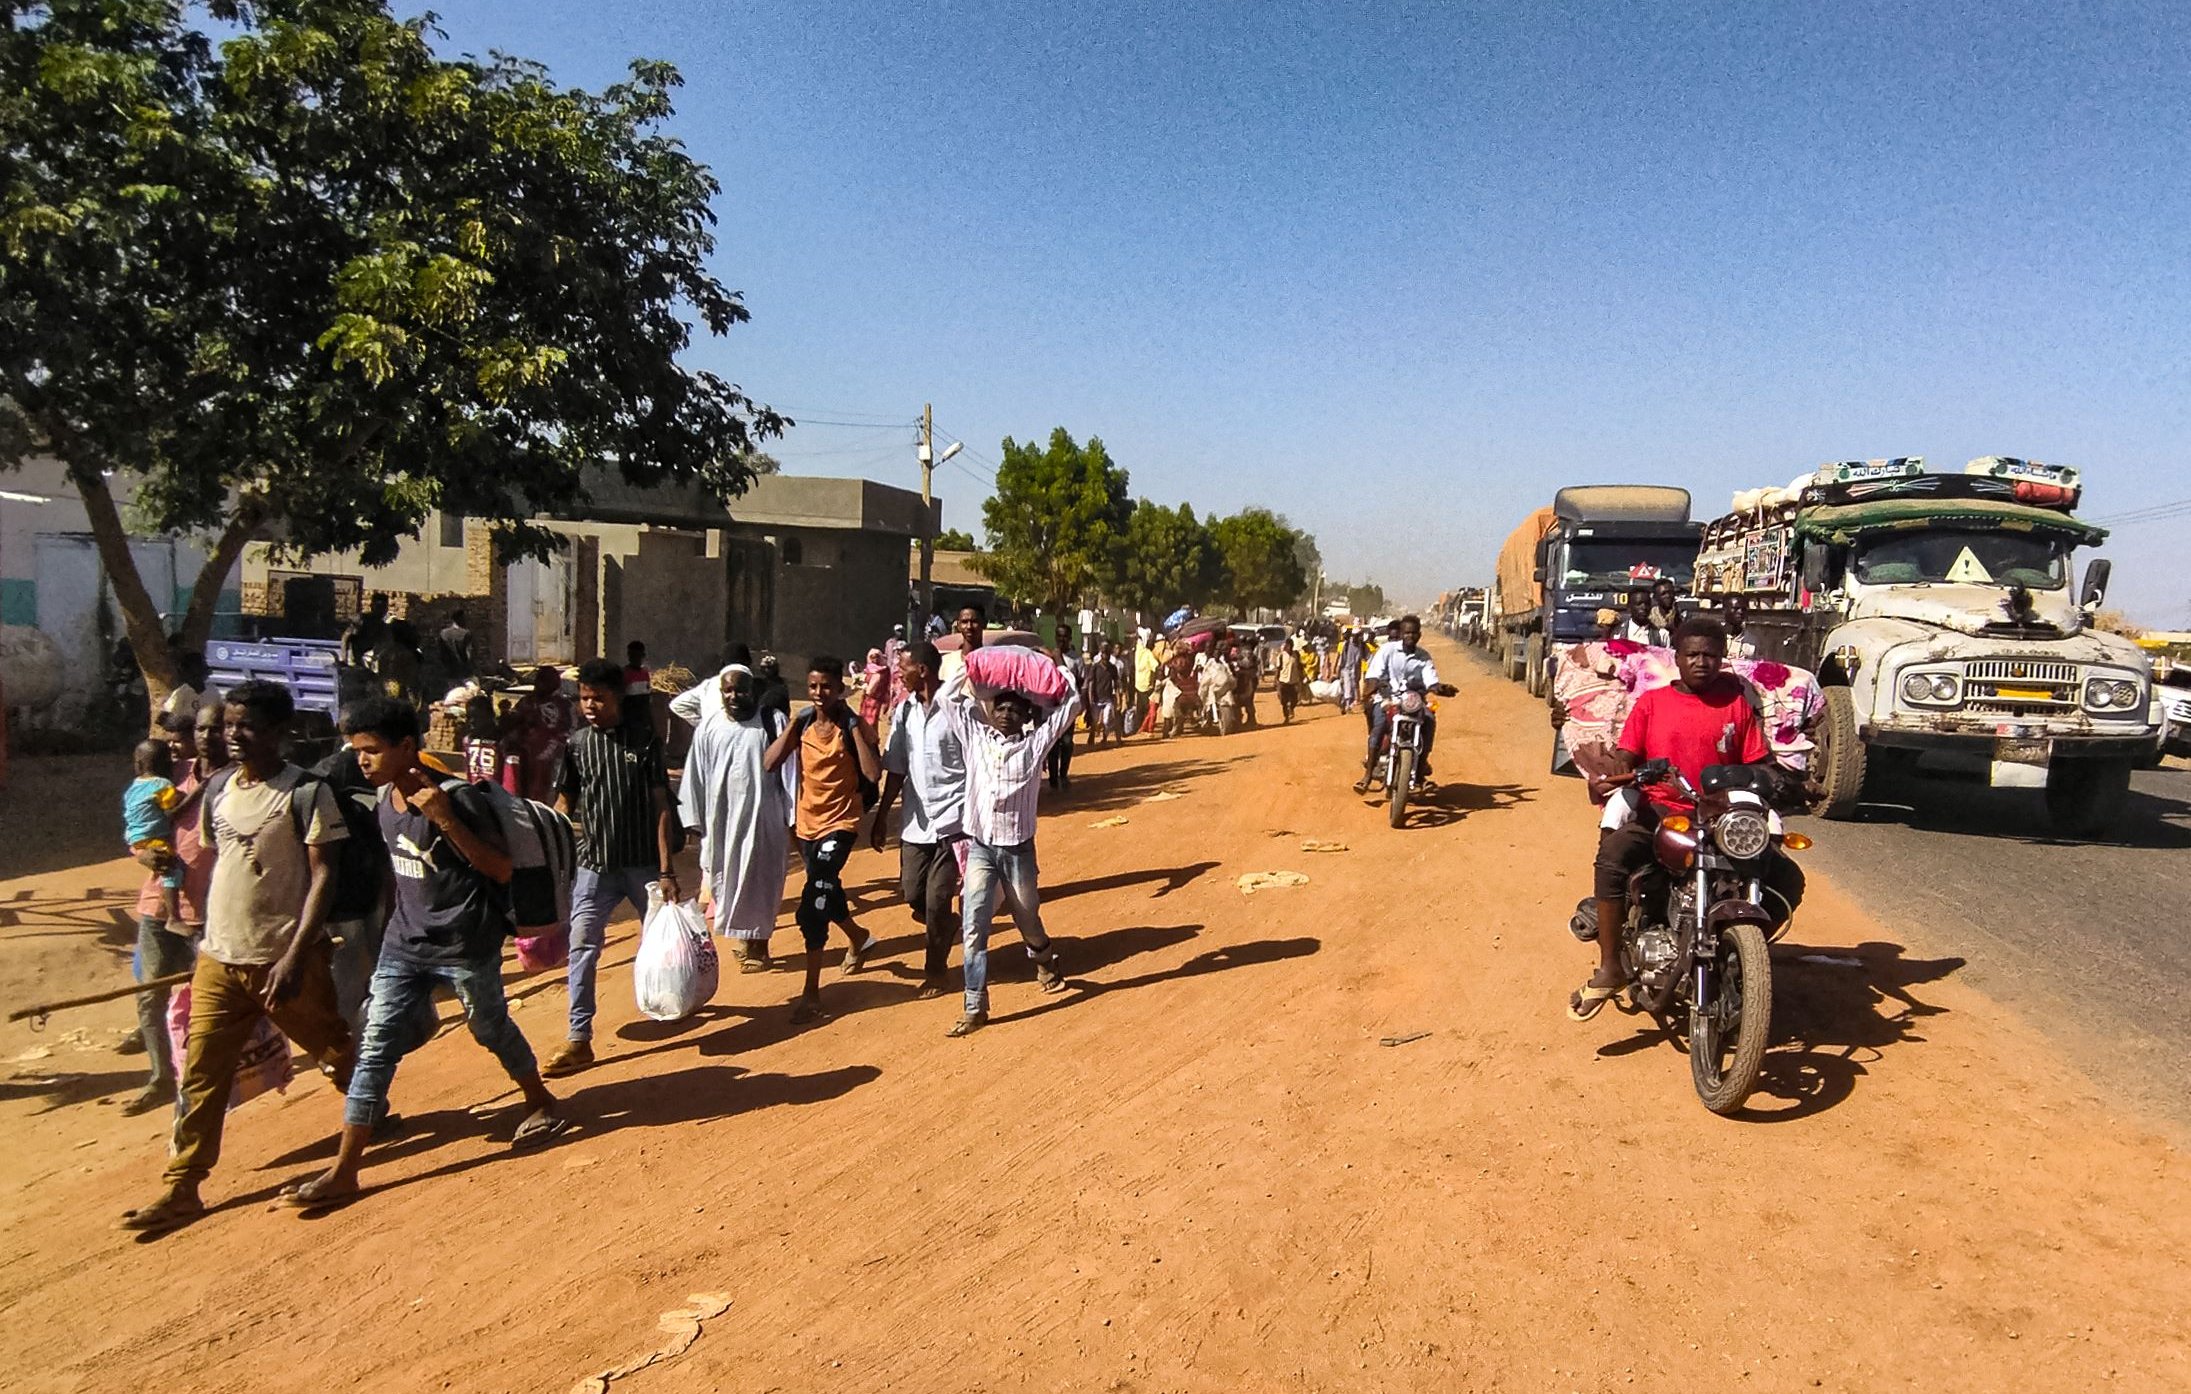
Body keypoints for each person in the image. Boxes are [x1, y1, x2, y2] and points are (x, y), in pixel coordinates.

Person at [280, 699, 564, 1209]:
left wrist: (444, 818)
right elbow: (398, 875)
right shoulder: (383, 801)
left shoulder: (459, 800)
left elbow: (500, 870)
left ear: (407, 747)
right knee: (375, 1047)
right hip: (403, 947)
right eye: (357, 750)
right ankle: (345, 1170)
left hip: (465, 945)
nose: (362, 760)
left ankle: (540, 1099)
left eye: (372, 750)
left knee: (489, 1027)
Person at [121, 681, 357, 1233]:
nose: (233, 736)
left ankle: (369, 1107)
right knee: (201, 1074)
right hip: (219, 960)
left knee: (332, 1046)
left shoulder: (307, 793)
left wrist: (296, 954)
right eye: (229, 725)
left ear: (281, 732)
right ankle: (183, 1187)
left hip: (283, 960)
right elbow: (217, 861)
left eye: (246, 725)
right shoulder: (220, 789)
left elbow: (325, 875)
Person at [1569, 617, 1792, 1022]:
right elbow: (1627, 755)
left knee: (1785, 876)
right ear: (1678, 657)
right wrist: (1618, 771)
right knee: (1615, 856)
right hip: (1662, 810)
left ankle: (1741, 956)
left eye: (1710, 654)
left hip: (1721, 818)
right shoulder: (1653, 703)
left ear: (1723, 658)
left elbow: (1758, 762)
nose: (1702, 662)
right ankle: (1610, 966)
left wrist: (1777, 780)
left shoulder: (1737, 704)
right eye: (1693, 654)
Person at [546, 659, 678, 1077]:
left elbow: (661, 807)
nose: (589, 705)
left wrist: (667, 870)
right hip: (594, 868)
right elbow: (564, 805)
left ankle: (676, 999)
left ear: (617, 698)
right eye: (584, 698)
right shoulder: (577, 745)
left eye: (598, 698)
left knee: (664, 943)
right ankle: (579, 1037)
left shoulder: (643, 742)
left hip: (643, 867)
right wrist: (551, 853)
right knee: (582, 947)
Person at [937, 656, 1079, 1036]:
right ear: (990, 711)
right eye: (999, 708)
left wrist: (1055, 671)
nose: (1005, 715)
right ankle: (974, 1003)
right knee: (974, 923)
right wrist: (974, 666)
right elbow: (946, 698)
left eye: (1014, 710)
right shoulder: (975, 738)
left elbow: (1072, 705)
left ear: (1025, 717)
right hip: (981, 848)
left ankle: (1044, 957)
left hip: (1018, 851)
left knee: (1026, 916)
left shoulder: (1035, 746)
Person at [764, 655, 884, 1023]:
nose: (819, 693)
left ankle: (811, 994)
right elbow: (770, 763)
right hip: (806, 826)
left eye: (827, 687)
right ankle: (859, 936)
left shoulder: (851, 725)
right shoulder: (801, 724)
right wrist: (793, 728)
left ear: (839, 688)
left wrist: (855, 727)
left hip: (841, 824)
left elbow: (872, 772)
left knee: (813, 901)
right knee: (826, 888)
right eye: (813, 686)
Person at [122, 710, 226, 1115]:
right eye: (198, 729)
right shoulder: (167, 772)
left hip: (214, 911)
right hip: (159, 907)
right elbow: (136, 823)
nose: (204, 737)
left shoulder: (240, 779)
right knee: (151, 994)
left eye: (213, 729)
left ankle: (204, 1079)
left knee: (209, 1001)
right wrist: (142, 852)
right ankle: (160, 1077)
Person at [678, 664, 792, 973]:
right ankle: (746, 937)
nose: (734, 696)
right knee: (724, 878)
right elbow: (696, 777)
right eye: (727, 690)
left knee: (760, 880)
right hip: (722, 821)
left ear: (753, 691)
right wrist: (693, 819)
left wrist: (792, 817)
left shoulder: (773, 722)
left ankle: (760, 945)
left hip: (763, 818)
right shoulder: (709, 727)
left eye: (740, 690)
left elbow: (791, 771)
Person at [872, 641, 968, 1000]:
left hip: (953, 820)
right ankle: (944, 926)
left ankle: (936, 970)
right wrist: (882, 816)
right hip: (916, 822)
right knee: (913, 892)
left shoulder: (958, 709)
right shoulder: (904, 713)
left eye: (904, 667)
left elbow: (975, 763)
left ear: (923, 671)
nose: (899, 672)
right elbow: (896, 769)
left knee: (936, 899)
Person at [1354, 616, 1452, 793]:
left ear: (1419, 635)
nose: (1410, 636)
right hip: (1387, 699)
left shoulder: (1424, 657)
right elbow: (1374, 674)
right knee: (1379, 727)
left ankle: (1421, 772)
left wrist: (1440, 688)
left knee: (1429, 720)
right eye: (1407, 632)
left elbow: (1431, 681)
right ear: (1400, 634)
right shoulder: (1386, 651)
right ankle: (1367, 776)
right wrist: (1378, 688)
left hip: (1413, 701)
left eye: (1414, 633)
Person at [125, 739, 187, 932]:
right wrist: (189, 796)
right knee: (172, 870)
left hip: (134, 836)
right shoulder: (162, 784)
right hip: (154, 837)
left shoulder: (134, 786)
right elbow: (171, 808)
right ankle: (174, 916)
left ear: (139, 765)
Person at [502, 666, 574, 804]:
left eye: (545, 681)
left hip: (551, 753)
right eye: (539, 680)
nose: (540, 684)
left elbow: (569, 731)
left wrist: (555, 747)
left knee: (544, 792)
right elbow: (513, 723)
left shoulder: (564, 705)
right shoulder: (527, 701)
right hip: (525, 753)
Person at [1047, 629, 1081, 791]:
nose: (1062, 639)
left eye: (1065, 636)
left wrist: (1083, 705)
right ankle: (1053, 779)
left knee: (1067, 743)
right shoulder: (1048, 657)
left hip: (1069, 708)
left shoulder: (1076, 659)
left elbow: (1081, 682)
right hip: (1051, 708)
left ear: (1070, 638)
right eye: (1059, 636)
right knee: (1053, 745)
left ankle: (1063, 775)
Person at [1083, 639, 1119, 748]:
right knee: (1094, 721)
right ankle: (1092, 735)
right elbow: (1090, 683)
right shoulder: (1095, 667)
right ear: (1101, 654)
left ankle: (1104, 737)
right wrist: (1090, 698)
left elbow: (1117, 683)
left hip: (1108, 698)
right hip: (1096, 698)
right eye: (1104, 653)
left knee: (1106, 720)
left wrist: (1119, 697)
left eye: (1107, 653)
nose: (1105, 655)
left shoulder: (1113, 668)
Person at [621, 641, 656, 738]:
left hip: (643, 718)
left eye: (637, 655)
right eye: (631, 655)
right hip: (629, 719)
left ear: (643, 655)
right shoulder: (624, 674)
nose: (634, 658)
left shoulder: (645, 674)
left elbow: (647, 698)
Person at [856, 647, 891, 731]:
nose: (874, 660)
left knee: (868, 722)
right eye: (872, 657)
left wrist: (862, 686)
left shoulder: (878, 673)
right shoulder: (883, 670)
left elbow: (870, 690)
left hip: (872, 701)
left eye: (876, 657)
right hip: (874, 700)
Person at [437, 610, 476, 682]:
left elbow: (440, 654)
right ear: (460, 619)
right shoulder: (466, 633)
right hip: (463, 672)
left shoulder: (443, 633)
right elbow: (469, 655)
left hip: (448, 671)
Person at [1273, 637, 1304, 723]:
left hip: (1294, 681)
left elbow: (1300, 667)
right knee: (1283, 700)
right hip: (1283, 681)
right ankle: (1286, 717)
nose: (1285, 647)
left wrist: (1302, 677)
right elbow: (1278, 669)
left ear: (1291, 646)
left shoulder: (1296, 655)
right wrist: (1276, 680)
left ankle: (1291, 708)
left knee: (1294, 699)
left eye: (1287, 645)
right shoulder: (1281, 656)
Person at [1721, 595, 1759, 660]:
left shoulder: (1752, 641)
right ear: (1724, 610)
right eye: (1736, 608)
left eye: (1743, 609)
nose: (1740, 612)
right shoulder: (1715, 638)